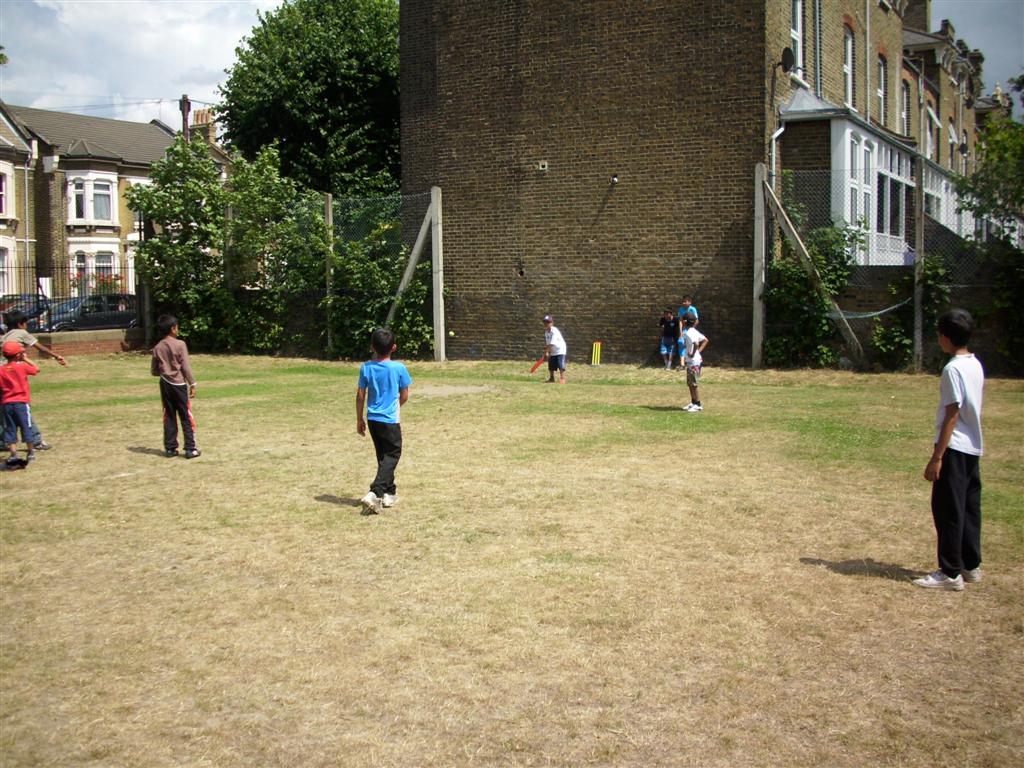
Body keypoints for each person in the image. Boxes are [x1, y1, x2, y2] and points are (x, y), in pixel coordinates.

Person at [913, 308, 984, 592]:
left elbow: (952, 413)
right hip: (973, 448)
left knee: (947, 509)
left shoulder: (952, 369)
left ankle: (950, 571)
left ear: (945, 337)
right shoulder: (975, 364)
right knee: (968, 508)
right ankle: (970, 565)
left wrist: (937, 457)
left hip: (954, 448)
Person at [356, 327, 412, 514]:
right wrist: (395, 408)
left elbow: (361, 395)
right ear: (394, 347)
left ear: (372, 347)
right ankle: (375, 491)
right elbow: (404, 395)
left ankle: (389, 493)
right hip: (390, 420)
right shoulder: (399, 368)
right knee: (393, 454)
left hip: (373, 419)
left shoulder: (366, 367)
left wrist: (359, 419)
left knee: (383, 456)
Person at [2, 308, 67, 450]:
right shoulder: (22, 333)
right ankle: (36, 440)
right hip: (14, 371)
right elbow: (41, 348)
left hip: (3, 373)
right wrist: (56, 356)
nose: (27, 326)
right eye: (26, 323)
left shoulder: (6, 336)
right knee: (21, 405)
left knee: (6, 407)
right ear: (20, 324)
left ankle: (4, 441)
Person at [150, 314, 200, 459]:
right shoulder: (180, 344)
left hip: (164, 383)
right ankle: (191, 448)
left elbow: (154, 370)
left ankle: (170, 448)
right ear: (173, 329)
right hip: (178, 384)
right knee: (186, 415)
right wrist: (192, 383)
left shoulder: (157, 347)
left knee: (169, 415)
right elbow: (185, 366)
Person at [0, 341, 39, 468]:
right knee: (26, 426)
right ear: (18, 355)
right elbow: (36, 369)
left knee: (10, 428)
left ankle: (13, 453)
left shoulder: (1, 370)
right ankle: (31, 451)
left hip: (6, 403)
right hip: (21, 403)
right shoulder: (21, 366)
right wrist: (26, 359)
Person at [681, 314, 708, 412]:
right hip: (691, 361)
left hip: (694, 362)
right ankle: (693, 402)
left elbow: (696, 343)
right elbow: (705, 340)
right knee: (690, 383)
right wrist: (698, 352)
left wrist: (693, 353)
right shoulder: (693, 331)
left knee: (693, 383)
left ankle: (698, 404)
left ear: (685, 322)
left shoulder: (690, 333)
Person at [543, 314, 567, 384]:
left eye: (548, 322)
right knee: (551, 364)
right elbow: (548, 344)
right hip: (553, 350)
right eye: (545, 322)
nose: (546, 324)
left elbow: (552, 343)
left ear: (552, 323)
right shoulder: (546, 333)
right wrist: (547, 353)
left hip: (560, 349)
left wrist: (547, 352)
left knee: (560, 364)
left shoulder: (555, 330)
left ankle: (562, 378)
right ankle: (551, 378)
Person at [676, 296, 699, 363]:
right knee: (680, 342)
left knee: (691, 344)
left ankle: (691, 359)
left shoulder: (693, 309)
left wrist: (691, 329)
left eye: (685, 301)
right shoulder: (681, 309)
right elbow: (680, 321)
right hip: (684, 330)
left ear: (690, 302)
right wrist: (680, 332)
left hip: (691, 329)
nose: (684, 303)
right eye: (683, 301)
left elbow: (697, 321)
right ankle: (682, 363)